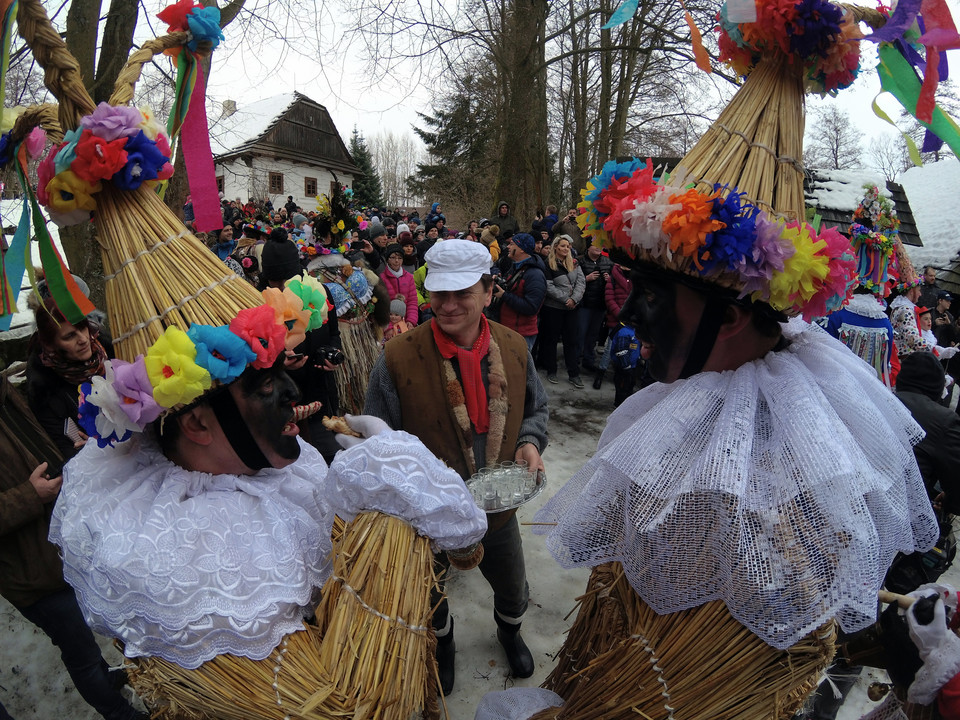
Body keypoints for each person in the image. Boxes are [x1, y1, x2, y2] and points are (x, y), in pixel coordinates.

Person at [484, 157, 938, 718]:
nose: (627, 311)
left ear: (729, 319)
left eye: (651, 294)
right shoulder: (689, 401)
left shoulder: (796, 449)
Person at [364, 239, 549, 696]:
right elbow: (374, 442)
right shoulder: (396, 358)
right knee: (430, 593)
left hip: (499, 507)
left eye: (461, 293)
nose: (447, 306)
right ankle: (443, 646)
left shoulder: (514, 347)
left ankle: (510, 632)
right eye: (438, 294)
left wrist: (528, 442)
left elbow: (536, 410)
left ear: (488, 291)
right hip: (426, 518)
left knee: (513, 587)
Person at [0, 375, 147, 720]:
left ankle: (105, 678)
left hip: (61, 541)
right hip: (30, 571)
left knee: (88, 633)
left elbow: (38, 444)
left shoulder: (5, 390)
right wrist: (28, 497)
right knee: (78, 648)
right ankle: (118, 712)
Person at [26, 298, 112, 459]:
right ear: (51, 345)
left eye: (82, 327)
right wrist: (93, 447)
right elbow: (66, 448)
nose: (83, 339)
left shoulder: (111, 350)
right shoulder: (44, 390)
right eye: (69, 336)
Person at [895, 351, 960, 514]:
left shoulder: (879, 402)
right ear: (938, 386)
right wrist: (949, 502)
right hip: (906, 516)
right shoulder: (943, 420)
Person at [538, 235, 586, 387]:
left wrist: (574, 299)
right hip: (553, 308)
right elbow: (549, 286)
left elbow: (581, 282)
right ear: (556, 247)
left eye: (568, 246)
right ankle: (551, 370)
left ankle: (574, 373)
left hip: (572, 308)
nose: (566, 249)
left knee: (571, 340)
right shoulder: (549, 264)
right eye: (563, 246)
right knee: (551, 340)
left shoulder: (575, 262)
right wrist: (566, 299)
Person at [491, 232, 546, 353]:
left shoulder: (535, 274)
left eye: (512, 244)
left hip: (521, 335)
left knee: (518, 371)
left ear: (522, 249)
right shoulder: (516, 268)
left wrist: (504, 295)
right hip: (508, 330)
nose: (508, 247)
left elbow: (531, 307)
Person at [577, 243, 613, 372]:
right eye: (595, 245)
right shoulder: (580, 261)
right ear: (588, 248)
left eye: (601, 245)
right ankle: (575, 360)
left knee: (593, 335)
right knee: (580, 333)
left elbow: (616, 281)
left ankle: (589, 360)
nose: (598, 247)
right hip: (584, 304)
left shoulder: (608, 262)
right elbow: (573, 280)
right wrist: (586, 279)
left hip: (600, 305)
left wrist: (610, 279)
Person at [379, 243, 418, 327]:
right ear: (387, 259)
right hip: (388, 323)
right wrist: (388, 327)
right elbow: (381, 306)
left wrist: (411, 320)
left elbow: (412, 301)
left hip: (405, 323)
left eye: (400, 258)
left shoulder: (409, 277)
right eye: (393, 258)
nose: (397, 261)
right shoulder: (382, 278)